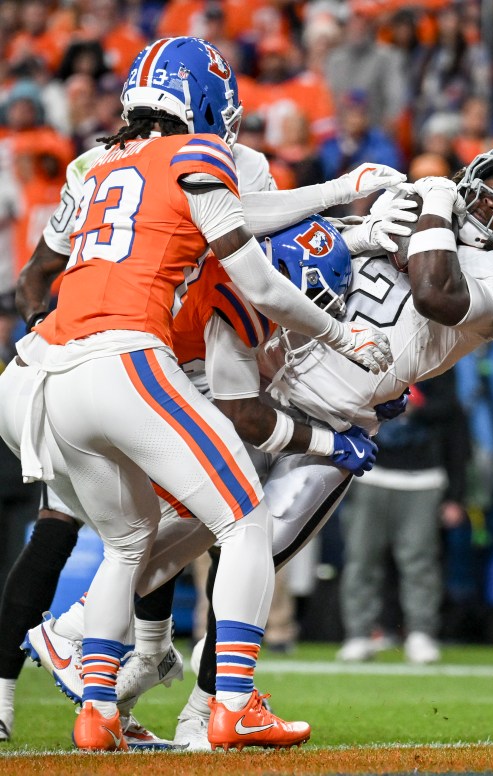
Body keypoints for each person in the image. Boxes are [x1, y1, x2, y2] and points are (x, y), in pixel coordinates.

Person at [15, 140, 493, 750]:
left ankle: (189, 707)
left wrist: (432, 202)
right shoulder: (410, 206)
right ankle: (106, 653)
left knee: (253, 556)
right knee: (186, 537)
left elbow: (439, 293)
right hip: (261, 382)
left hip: (336, 416)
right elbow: (303, 253)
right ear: (474, 173)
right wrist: (360, 231)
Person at [0, 36, 398, 753]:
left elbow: (41, 271)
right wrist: (344, 337)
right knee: (243, 518)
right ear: (205, 105)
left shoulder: (98, 165)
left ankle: (98, 709)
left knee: (127, 541)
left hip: (38, 371)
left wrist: (346, 201)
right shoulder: (199, 154)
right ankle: (234, 702)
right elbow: (260, 276)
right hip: (122, 358)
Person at [336, 369, 470, 665]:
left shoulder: (443, 366)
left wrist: (456, 496)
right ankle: (359, 633)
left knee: (420, 562)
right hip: (373, 475)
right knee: (361, 558)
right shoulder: (378, 357)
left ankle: (421, 632)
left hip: (423, 479)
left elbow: (454, 425)